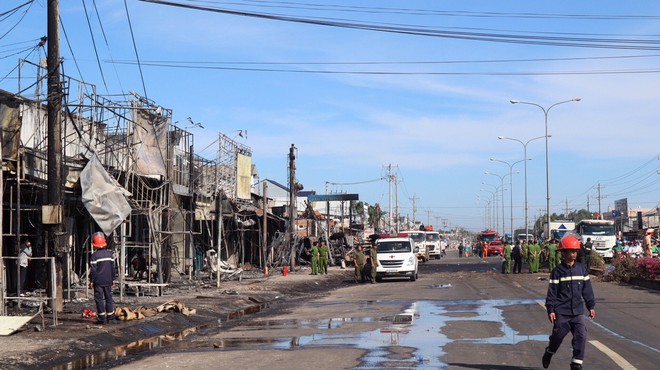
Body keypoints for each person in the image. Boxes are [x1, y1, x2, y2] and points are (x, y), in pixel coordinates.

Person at [542, 234, 596, 370]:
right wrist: (551, 309)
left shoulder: (581, 269)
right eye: (571, 251)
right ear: (564, 253)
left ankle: (576, 363)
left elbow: (587, 289)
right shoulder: (557, 272)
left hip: (577, 311)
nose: (574, 254)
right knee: (558, 336)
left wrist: (591, 306)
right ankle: (549, 351)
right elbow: (552, 292)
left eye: (575, 251)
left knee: (581, 336)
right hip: (562, 311)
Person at [90, 232, 119, 325]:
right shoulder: (110, 254)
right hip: (108, 280)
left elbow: (93, 271)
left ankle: (102, 318)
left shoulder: (94, 256)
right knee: (108, 298)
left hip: (98, 281)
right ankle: (111, 317)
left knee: (99, 299)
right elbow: (112, 268)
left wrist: (92, 281)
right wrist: (113, 279)